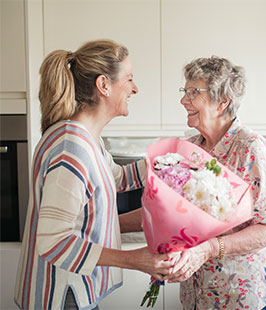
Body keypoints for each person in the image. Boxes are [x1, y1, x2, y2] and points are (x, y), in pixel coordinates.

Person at [14, 39, 177, 310]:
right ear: (103, 85)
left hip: (72, 290)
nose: (135, 89)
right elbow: (53, 242)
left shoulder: (86, 138)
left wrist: (169, 161)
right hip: (60, 295)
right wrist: (135, 259)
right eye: (129, 80)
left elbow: (115, 179)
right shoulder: (71, 148)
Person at [168, 56, 266, 310]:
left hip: (239, 297)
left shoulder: (251, 148)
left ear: (222, 102)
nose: (183, 100)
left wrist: (210, 249)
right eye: (184, 91)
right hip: (196, 293)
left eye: (193, 92)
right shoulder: (190, 147)